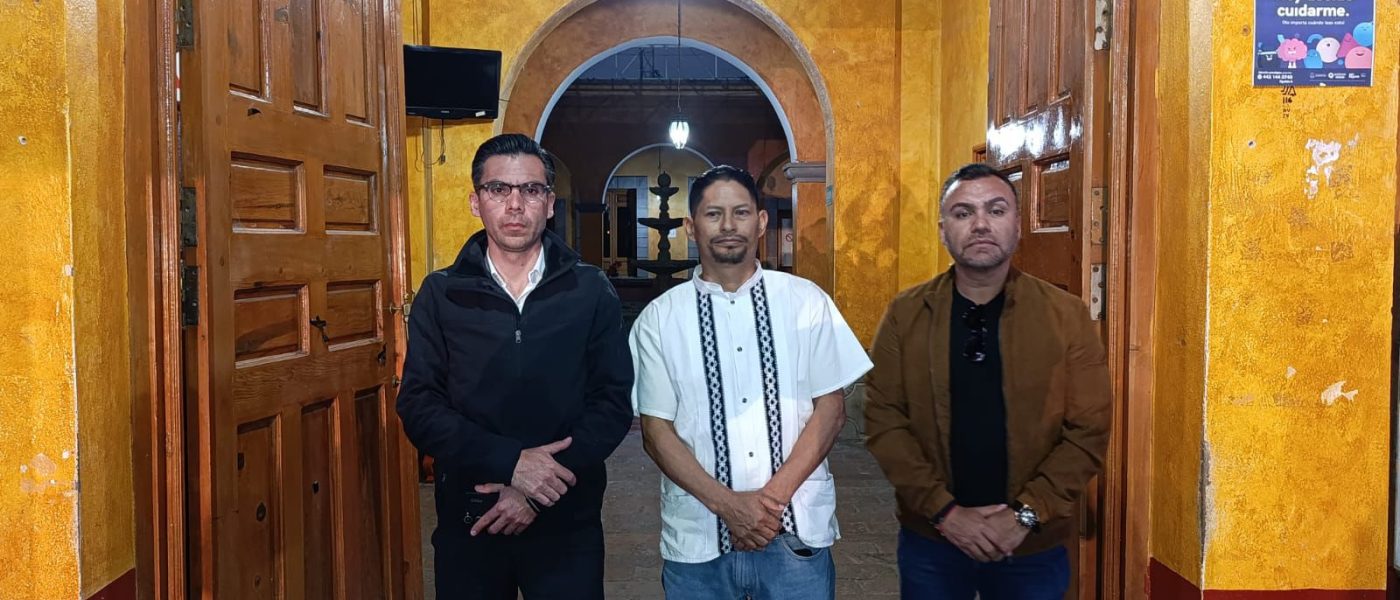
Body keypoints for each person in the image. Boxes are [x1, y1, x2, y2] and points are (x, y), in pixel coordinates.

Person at [397, 133, 634, 599]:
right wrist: (510, 464)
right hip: (472, 514)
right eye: (498, 189)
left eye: (530, 190)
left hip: (567, 517)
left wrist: (534, 488)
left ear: (550, 203)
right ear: (475, 202)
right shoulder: (442, 294)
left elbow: (611, 405)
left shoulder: (590, 290)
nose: (515, 204)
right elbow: (419, 405)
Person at [863, 163, 1112, 599]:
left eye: (996, 210)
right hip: (932, 540)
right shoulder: (905, 314)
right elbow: (884, 421)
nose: (980, 224)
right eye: (963, 213)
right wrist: (944, 513)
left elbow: (1088, 428)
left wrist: (1026, 515)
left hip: (1031, 544)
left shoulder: (1065, 315)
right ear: (943, 231)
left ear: (1017, 225)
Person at [630, 165, 873, 600]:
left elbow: (831, 410)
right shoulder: (659, 320)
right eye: (713, 214)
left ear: (760, 222)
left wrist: (766, 505)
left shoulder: (806, 302)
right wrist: (729, 506)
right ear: (691, 226)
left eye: (740, 212)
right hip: (698, 542)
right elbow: (655, 431)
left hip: (794, 535)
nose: (728, 225)